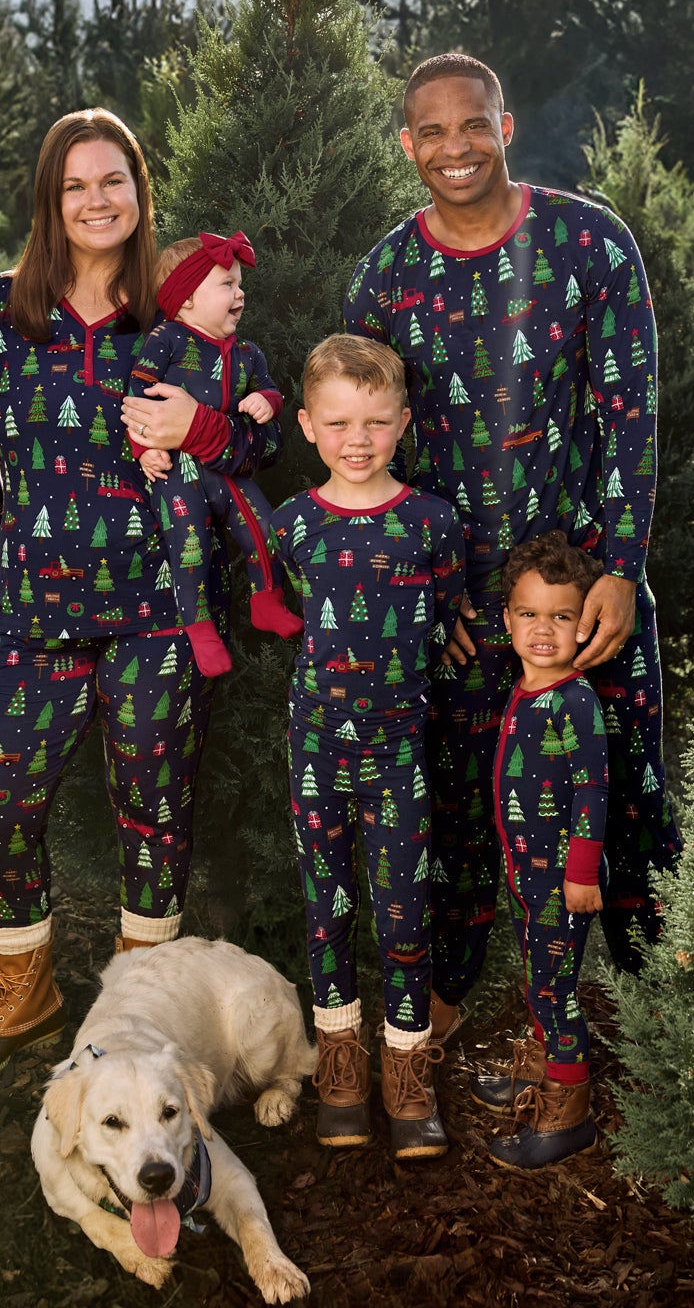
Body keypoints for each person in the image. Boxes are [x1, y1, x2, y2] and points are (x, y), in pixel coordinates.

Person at [0, 109, 279, 1080]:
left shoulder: (177, 315)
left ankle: (137, 998)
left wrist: (201, 425)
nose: (95, 200)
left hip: (154, 611)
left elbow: (257, 443)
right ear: (50, 198)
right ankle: (24, 991)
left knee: (153, 803)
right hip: (30, 612)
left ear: (139, 191)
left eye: (112, 181)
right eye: (75, 184)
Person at [344, 52, 681, 1041]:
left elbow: (628, 414)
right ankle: (444, 996)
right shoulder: (385, 278)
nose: (454, 149)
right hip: (458, 609)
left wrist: (620, 566)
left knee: (618, 784)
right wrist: (424, 598)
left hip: (578, 587)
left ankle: (642, 1004)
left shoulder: (589, 242)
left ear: (505, 125)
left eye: (471, 125)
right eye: (431, 133)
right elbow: (367, 451)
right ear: (407, 145)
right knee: (454, 809)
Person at [269, 334, 465, 1159]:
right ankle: (340, 1070)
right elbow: (282, 613)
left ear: (403, 423)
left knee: (404, 914)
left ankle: (406, 1072)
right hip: (316, 746)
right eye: (341, 421)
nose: (359, 439)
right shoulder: (292, 527)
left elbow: (447, 612)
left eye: (378, 422)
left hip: (397, 755)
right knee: (327, 908)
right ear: (309, 425)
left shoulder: (430, 523)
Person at [471, 531, 607, 1167]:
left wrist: (581, 872)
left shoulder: (575, 701)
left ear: (584, 625)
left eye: (562, 616)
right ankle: (543, 1063)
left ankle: (567, 1109)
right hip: (529, 874)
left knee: (556, 989)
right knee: (540, 979)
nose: (544, 630)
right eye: (529, 614)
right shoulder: (525, 690)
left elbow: (592, 788)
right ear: (508, 619)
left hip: (561, 879)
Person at [130, 229, 302, 677]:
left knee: (265, 527)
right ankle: (199, 626)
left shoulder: (247, 353)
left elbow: (267, 390)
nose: (239, 292)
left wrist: (269, 401)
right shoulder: (166, 339)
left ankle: (267, 599)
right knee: (190, 547)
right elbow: (137, 396)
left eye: (239, 283)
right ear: (185, 299)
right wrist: (143, 449)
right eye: (226, 284)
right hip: (179, 471)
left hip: (228, 469)